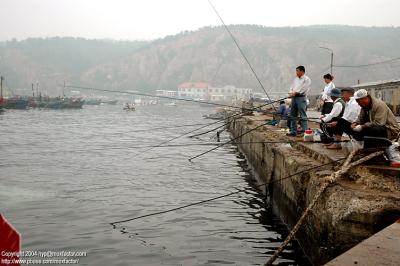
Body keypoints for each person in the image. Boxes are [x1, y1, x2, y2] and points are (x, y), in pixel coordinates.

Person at [287, 65, 312, 136]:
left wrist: (296, 92)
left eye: (297, 71)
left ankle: (305, 131)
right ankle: (293, 131)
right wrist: (290, 93)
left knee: (302, 114)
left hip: (301, 97)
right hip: (294, 98)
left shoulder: (306, 79)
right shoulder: (295, 79)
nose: (296, 72)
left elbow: (304, 89)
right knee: (293, 114)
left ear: (302, 71)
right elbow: (291, 87)